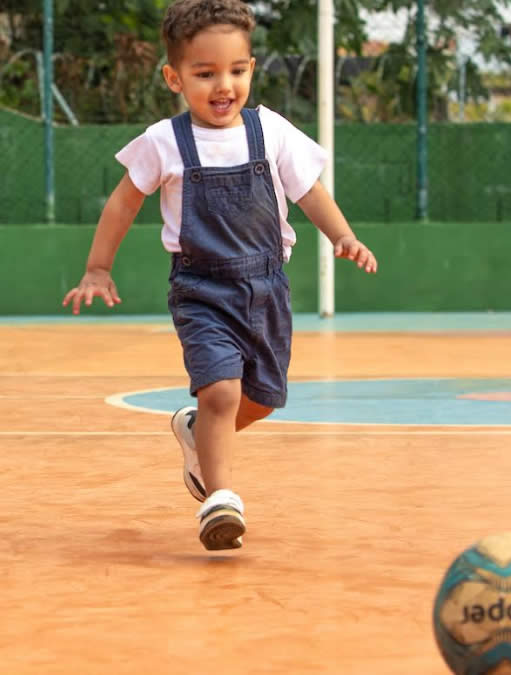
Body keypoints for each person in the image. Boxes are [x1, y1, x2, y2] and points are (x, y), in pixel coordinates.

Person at [61, 0, 378, 551]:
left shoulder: (271, 131)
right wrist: (97, 267)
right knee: (222, 393)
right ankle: (220, 498)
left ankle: (192, 431)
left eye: (235, 70)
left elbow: (308, 191)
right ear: (174, 77)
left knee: (263, 397)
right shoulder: (165, 141)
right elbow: (123, 202)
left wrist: (342, 235)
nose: (222, 85)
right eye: (204, 74)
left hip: (266, 286)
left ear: (251, 69)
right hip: (201, 290)